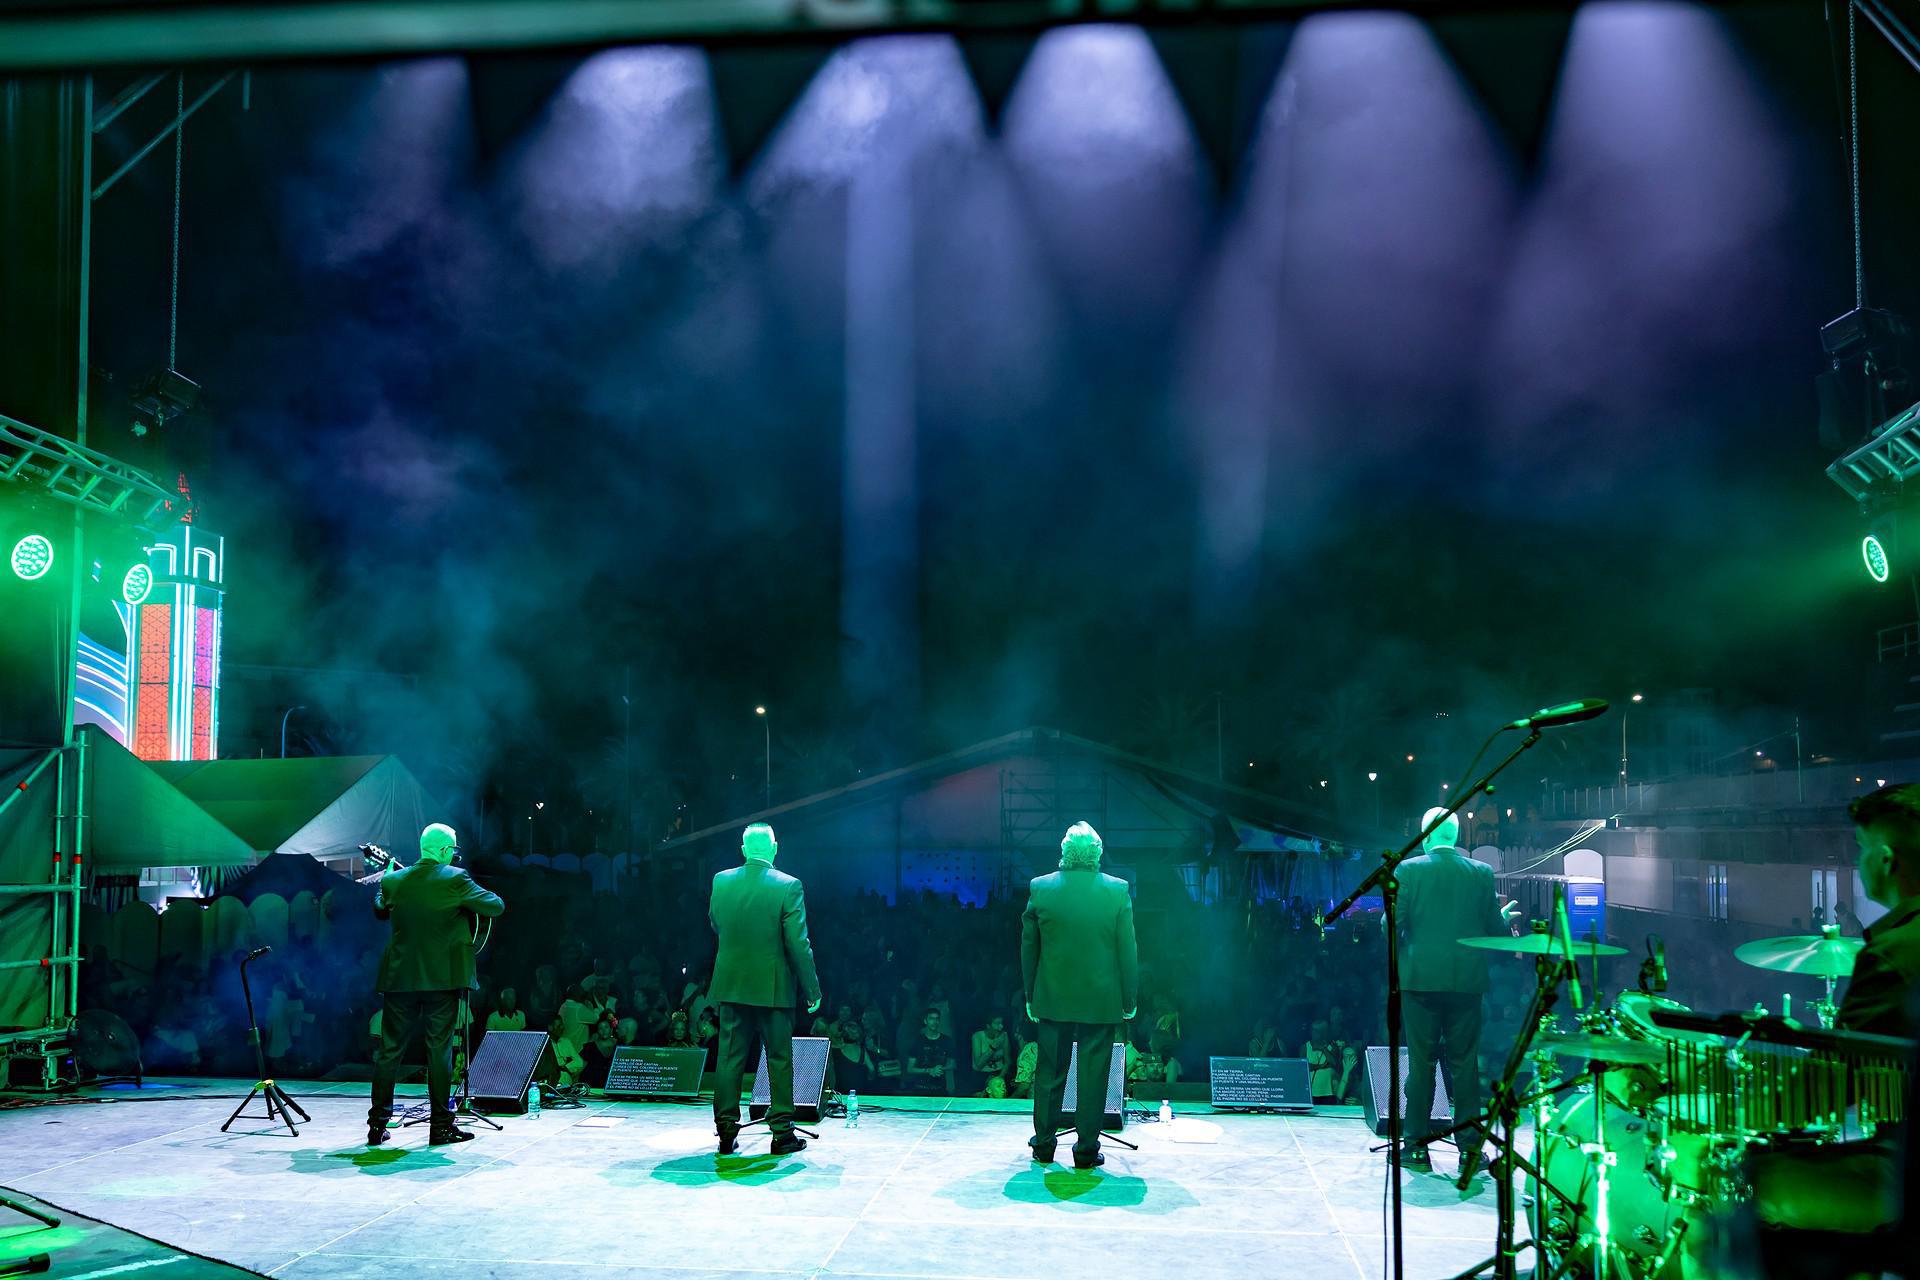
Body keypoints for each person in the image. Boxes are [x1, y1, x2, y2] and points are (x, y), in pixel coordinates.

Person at [367, 822, 504, 1147]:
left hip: (401, 979)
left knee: (389, 1052)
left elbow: (380, 909)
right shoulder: (456, 878)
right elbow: (495, 905)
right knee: (439, 1052)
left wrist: (385, 884)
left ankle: (376, 1126)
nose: (454, 855)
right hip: (442, 979)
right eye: (452, 850)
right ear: (444, 850)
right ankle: (440, 1127)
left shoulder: (393, 881)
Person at [1021, 821, 1138, 1169]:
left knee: (1049, 1073)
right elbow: (1128, 951)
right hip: (1100, 1000)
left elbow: (1029, 948)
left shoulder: (1041, 887)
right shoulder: (1117, 890)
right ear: (1097, 854)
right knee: (1093, 1076)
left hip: (1053, 997)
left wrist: (1030, 994)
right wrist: (1129, 999)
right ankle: (1086, 1151)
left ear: (1064, 851)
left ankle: (1044, 1145)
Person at [1397, 807, 1508, 1173]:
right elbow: (1496, 930)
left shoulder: (1408, 870)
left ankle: (1416, 1146)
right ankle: (1469, 1149)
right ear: (1457, 836)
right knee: (1465, 1065)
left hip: (1420, 981)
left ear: (1425, 835)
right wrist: (1505, 920)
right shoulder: (1481, 872)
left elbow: (1389, 925)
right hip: (1466, 982)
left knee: (1422, 1063)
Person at [708, 823, 822, 1156]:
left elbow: (716, 924)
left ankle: (726, 1132)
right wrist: (812, 988)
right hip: (773, 987)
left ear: (744, 850)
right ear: (774, 848)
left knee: (729, 1059)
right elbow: (798, 944)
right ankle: (781, 1133)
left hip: (732, 985)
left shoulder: (721, 880)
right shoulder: (788, 885)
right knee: (779, 1059)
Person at [905, 1007, 955, 1095]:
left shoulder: (947, 1041)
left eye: (937, 1019)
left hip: (940, 1088)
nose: (934, 1022)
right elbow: (910, 1068)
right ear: (925, 1021)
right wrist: (930, 1070)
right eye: (931, 1019)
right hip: (920, 1089)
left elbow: (953, 1064)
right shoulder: (917, 1041)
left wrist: (938, 1069)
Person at [971, 1014, 1011, 1094]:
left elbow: (1008, 1061)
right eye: (997, 1023)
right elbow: (978, 1064)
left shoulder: (1004, 1035)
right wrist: (994, 1046)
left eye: (1002, 1023)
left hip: (999, 1073)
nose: (1001, 1026)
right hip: (980, 1075)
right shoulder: (977, 1036)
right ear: (988, 1026)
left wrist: (998, 1079)